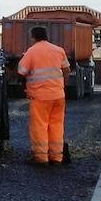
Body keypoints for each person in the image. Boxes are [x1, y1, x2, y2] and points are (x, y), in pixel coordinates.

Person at [17, 26, 71, 164]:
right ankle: (57, 157)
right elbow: (67, 70)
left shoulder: (32, 51)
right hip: (58, 95)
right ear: (46, 36)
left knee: (40, 125)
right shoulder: (59, 50)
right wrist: (61, 86)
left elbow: (21, 71)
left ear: (33, 36)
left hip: (40, 96)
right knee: (57, 125)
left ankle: (41, 157)